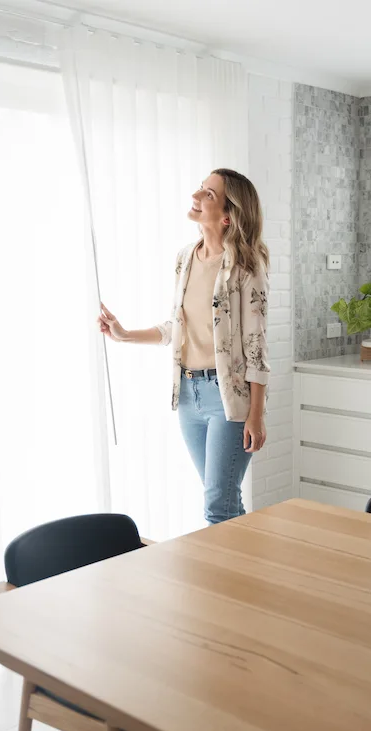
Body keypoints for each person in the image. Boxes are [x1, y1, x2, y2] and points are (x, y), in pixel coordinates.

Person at [97, 168, 270, 525]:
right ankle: (248, 574)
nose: (196, 195)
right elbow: (176, 326)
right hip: (189, 396)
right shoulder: (185, 258)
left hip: (230, 401)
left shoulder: (246, 268)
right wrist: (125, 334)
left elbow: (256, 348)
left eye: (208, 194)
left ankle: (225, 580)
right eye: (201, 188)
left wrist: (256, 414)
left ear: (227, 216)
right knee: (224, 501)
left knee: (217, 506)